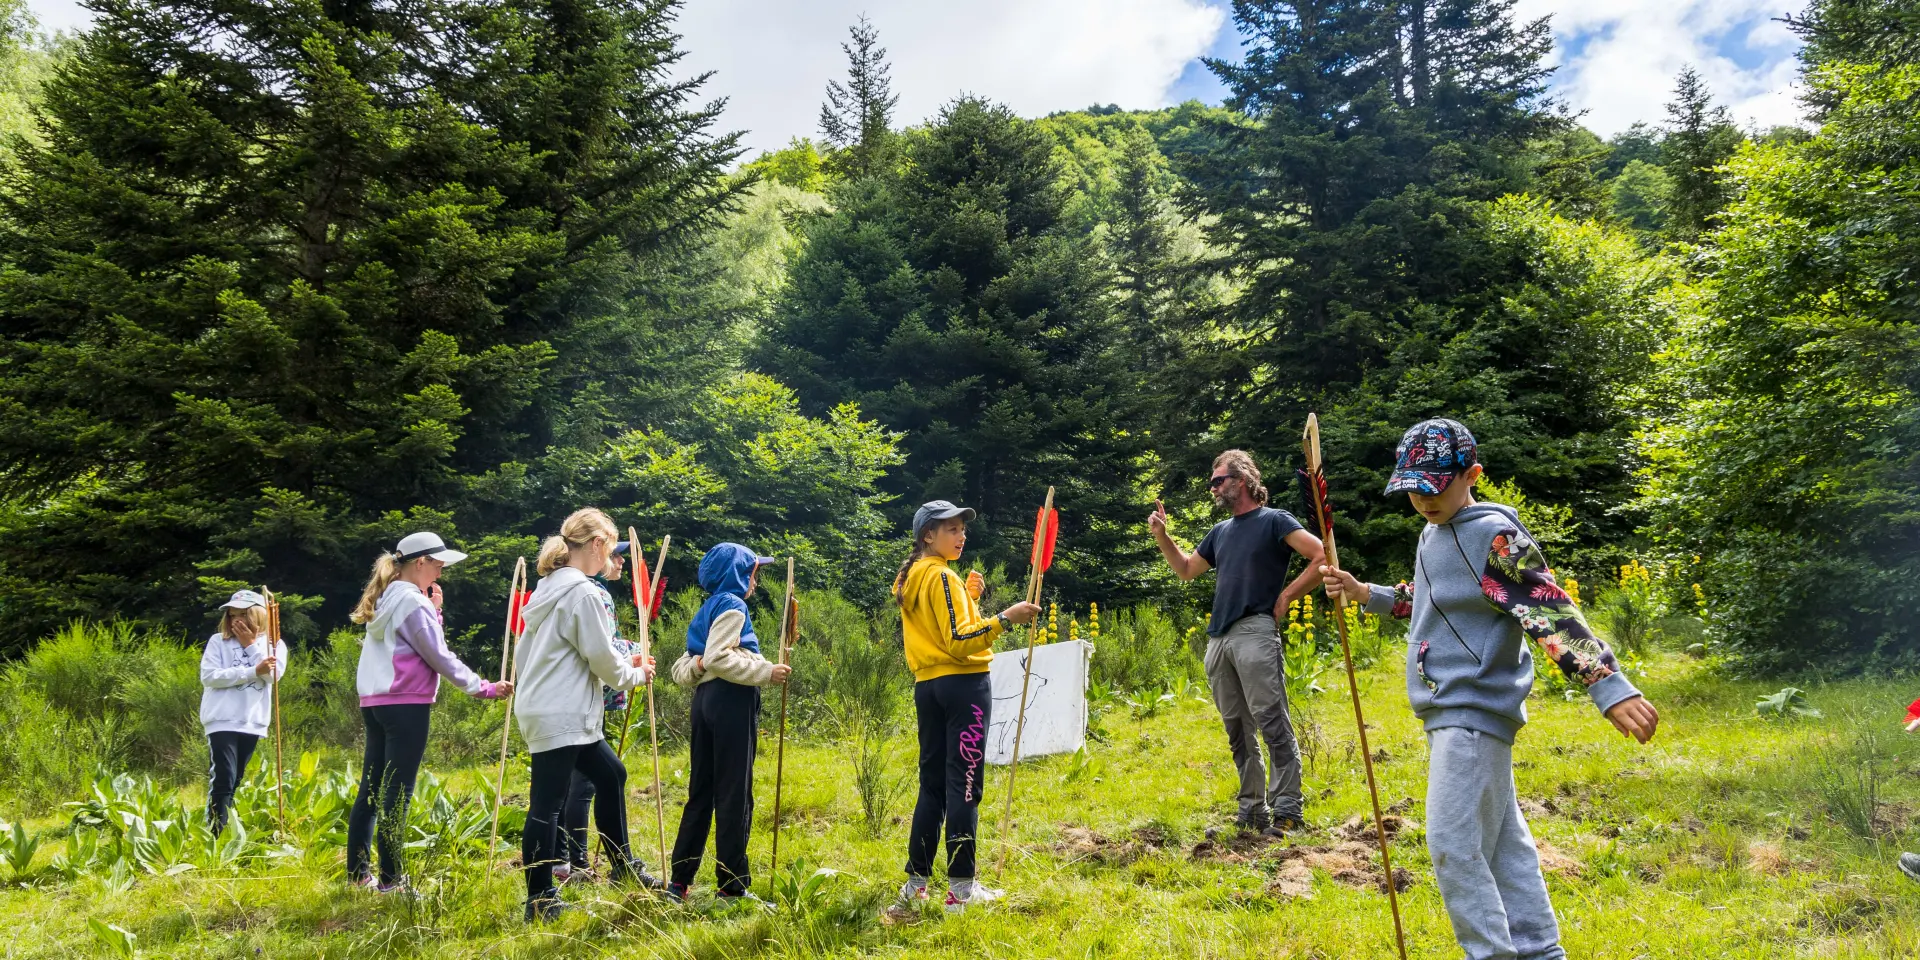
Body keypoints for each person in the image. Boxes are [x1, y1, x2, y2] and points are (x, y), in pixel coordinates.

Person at [1320, 418, 1660, 960]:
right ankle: (1540, 951)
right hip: (1448, 711)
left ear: (1472, 474)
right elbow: (1430, 601)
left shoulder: (1492, 534)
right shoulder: (1433, 533)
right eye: (1413, 489)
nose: (1423, 500)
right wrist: (1367, 593)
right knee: (1504, 848)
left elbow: (1546, 607)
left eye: (1435, 487)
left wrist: (1609, 686)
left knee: (1452, 844)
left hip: (1473, 709)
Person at [1149, 450, 1325, 835]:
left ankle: (1288, 812)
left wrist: (1287, 596)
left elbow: (1320, 554)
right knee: (1237, 730)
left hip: (1255, 631)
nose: (1213, 487)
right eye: (1213, 481)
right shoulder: (1220, 532)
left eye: (1219, 480)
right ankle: (1252, 812)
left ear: (1241, 480)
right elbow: (1185, 570)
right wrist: (1163, 537)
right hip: (1219, 639)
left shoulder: (1274, 520)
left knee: (1271, 720)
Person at [894, 501, 1040, 913]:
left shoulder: (912, 576)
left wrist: (969, 596)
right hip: (963, 688)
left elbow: (941, 630)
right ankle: (961, 890)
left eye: (962, 530)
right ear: (928, 536)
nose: (961, 537)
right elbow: (961, 641)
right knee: (965, 784)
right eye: (951, 530)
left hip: (928, 687)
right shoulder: (941, 576)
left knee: (934, 786)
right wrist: (1005, 618)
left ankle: (916, 884)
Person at [515, 508, 658, 921]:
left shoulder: (548, 588)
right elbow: (603, 662)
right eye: (610, 547)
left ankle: (623, 866)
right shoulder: (584, 593)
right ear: (597, 544)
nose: (610, 555)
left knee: (611, 775)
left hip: (553, 707)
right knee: (546, 801)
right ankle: (539, 898)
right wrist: (636, 672)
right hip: (563, 712)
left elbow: (531, 655)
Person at [347, 531, 510, 893]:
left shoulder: (388, 597)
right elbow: (438, 656)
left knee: (372, 788)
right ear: (420, 562)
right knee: (398, 792)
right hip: (405, 703)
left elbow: (412, 643)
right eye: (437, 564)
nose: (440, 572)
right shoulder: (412, 603)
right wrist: (484, 687)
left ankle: (357, 875)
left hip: (375, 702)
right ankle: (391, 882)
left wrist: (434, 610)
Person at [664, 542, 791, 903]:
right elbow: (720, 659)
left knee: (700, 794)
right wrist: (767, 671)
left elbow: (686, 667)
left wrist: (701, 666)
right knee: (734, 794)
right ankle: (731, 887)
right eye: (753, 571)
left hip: (704, 704)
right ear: (738, 573)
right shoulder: (733, 606)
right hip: (731, 702)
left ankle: (679, 883)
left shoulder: (707, 608)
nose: (756, 580)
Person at [556, 542, 638, 885]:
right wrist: (636, 651)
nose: (620, 562)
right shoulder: (592, 593)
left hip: (568, 697)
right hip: (586, 695)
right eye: (615, 555)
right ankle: (575, 860)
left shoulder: (586, 589)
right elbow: (601, 645)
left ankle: (563, 859)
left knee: (570, 780)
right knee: (586, 781)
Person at [198, 589, 287, 837]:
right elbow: (209, 677)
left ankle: (223, 828)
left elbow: (273, 675)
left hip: (252, 721)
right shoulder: (219, 641)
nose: (237, 621)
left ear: (258, 616)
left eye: (243, 616)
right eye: (232, 616)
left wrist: (250, 647)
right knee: (224, 776)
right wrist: (251, 671)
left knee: (235, 778)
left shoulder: (274, 643)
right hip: (221, 718)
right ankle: (214, 834)